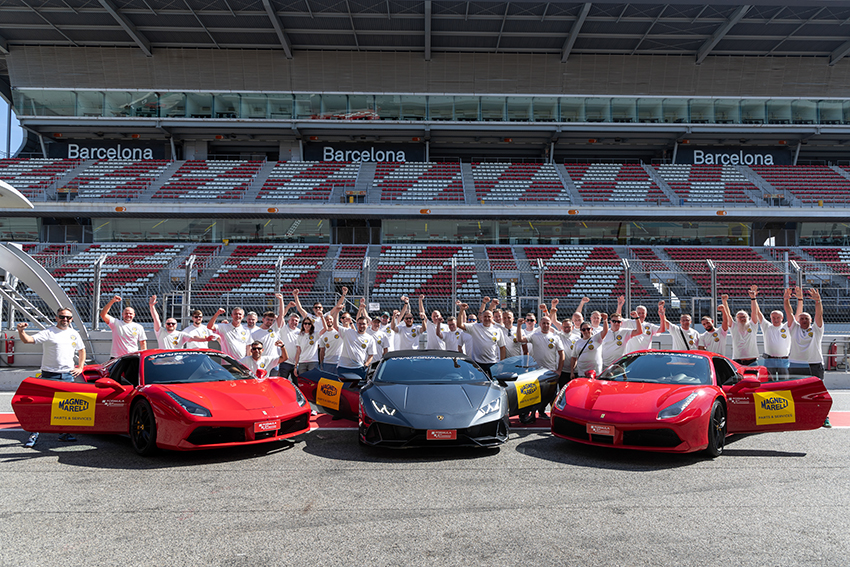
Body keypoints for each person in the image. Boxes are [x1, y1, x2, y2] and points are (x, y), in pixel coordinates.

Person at [16, 307, 86, 447]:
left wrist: (80, 367)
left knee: (66, 406)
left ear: (71, 319)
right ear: (56, 317)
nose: (65, 319)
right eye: (62, 316)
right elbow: (28, 340)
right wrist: (21, 331)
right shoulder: (48, 332)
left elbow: (82, 350)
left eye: (68, 317)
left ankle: (64, 433)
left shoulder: (74, 334)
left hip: (67, 375)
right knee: (42, 406)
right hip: (49, 375)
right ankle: (34, 434)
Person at [785, 287, 830, 428]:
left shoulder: (816, 330)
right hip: (796, 364)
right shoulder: (794, 328)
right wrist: (786, 299)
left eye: (806, 319)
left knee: (818, 392)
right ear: (799, 321)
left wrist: (818, 301)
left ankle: (824, 418)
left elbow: (819, 316)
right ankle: (797, 416)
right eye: (802, 318)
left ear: (810, 321)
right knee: (796, 393)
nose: (804, 320)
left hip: (814, 364)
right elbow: (789, 312)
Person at [516, 315, 565, 422]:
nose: (546, 325)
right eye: (544, 323)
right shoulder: (534, 336)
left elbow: (562, 354)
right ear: (540, 324)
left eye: (548, 323)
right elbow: (520, 339)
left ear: (550, 324)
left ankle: (554, 416)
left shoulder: (555, 337)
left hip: (551, 371)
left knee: (552, 395)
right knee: (535, 394)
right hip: (537, 372)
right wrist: (519, 325)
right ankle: (533, 416)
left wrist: (559, 370)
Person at [456, 300, 506, 377]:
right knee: (479, 385)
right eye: (485, 316)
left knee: (493, 385)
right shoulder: (475, 327)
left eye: (489, 316)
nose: (487, 318)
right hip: (478, 363)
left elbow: (502, 347)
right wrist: (462, 310)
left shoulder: (498, 330)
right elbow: (459, 325)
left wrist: (501, 364)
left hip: (493, 363)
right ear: (481, 318)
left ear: (492, 318)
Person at [334, 295, 378, 379]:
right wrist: (336, 312)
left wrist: (365, 365)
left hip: (359, 368)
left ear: (367, 325)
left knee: (357, 391)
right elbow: (336, 326)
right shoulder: (348, 332)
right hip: (343, 367)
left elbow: (371, 355)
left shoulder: (370, 338)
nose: (361, 326)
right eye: (359, 324)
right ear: (356, 324)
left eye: (363, 324)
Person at [149, 295, 215, 350]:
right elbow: (156, 319)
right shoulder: (161, 332)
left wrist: (205, 339)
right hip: (163, 361)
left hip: (178, 361)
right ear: (165, 325)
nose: (171, 325)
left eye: (173, 323)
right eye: (168, 323)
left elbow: (193, 338)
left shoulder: (181, 334)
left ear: (176, 325)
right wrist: (152, 306)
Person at [755, 286, 794, 379]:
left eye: (778, 317)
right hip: (769, 360)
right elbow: (758, 313)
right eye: (773, 317)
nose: (776, 319)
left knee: (784, 383)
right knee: (769, 382)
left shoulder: (787, 327)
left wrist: (787, 300)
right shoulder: (767, 326)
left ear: (782, 318)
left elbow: (791, 315)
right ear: (770, 318)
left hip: (783, 361)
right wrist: (754, 298)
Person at [99, 294, 147, 359]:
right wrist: (112, 301)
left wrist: (143, 357)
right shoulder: (116, 323)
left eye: (130, 314)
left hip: (132, 357)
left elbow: (143, 343)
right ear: (122, 314)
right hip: (116, 357)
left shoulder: (139, 327)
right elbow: (103, 314)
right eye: (126, 313)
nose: (128, 315)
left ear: (134, 315)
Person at [251, 294, 288, 375]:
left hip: (273, 361)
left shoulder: (275, 329)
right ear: (263, 319)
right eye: (268, 319)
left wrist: (281, 300)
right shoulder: (255, 333)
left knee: (273, 384)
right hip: (261, 362)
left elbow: (281, 315)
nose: (270, 321)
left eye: (271, 320)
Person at [725, 289, 759, 365]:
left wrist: (753, 298)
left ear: (748, 317)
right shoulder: (734, 326)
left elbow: (754, 311)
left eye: (744, 317)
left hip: (752, 360)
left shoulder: (752, 325)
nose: (742, 318)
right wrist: (724, 302)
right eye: (739, 317)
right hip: (738, 361)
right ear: (736, 319)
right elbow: (728, 315)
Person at [570, 314, 608, 380]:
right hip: (582, 373)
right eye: (584, 329)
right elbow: (574, 358)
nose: (586, 331)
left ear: (591, 329)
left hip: (596, 372)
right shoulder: (578, 342)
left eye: (588, 329)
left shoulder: (596, 338)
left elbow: (605, 331)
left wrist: (605, 320)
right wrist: (572, 372)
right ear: (581, 331)